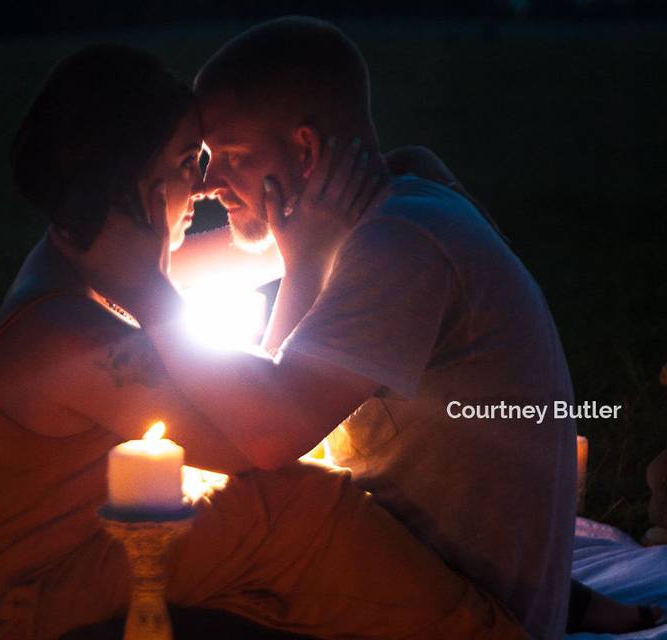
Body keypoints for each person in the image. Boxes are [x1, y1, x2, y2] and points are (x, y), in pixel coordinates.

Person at [0, 43, 527, 639]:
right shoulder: (72, 337)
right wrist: (175, 291)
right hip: (12, 622)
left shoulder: (84, 259)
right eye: (189, 164)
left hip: (47, 581)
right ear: (137, 185)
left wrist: (351, 202)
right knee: (288, 510)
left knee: (250, 518)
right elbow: (260, 440)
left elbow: (250, 259)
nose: (204, 186)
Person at [53, 17, 578, 639]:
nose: (210, 184)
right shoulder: (386, 207)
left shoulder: (400, 244)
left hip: (458, 613)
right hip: (393, 578)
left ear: (305, 151)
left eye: (232, 158)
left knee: (125, 611)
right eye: (202, 162)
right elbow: (164, 270)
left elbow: (267, 441)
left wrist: (150, 290)